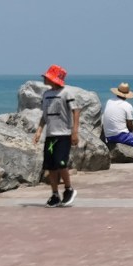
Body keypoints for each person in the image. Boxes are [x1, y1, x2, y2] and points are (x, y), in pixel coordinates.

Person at [32, 64, 79, 208]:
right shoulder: (46, 95)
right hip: (50, 136)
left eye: (47, 77)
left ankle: (69, 189)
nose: (45, 79)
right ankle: (54, 194)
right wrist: (39, 130)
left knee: (61, 163)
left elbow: (76, 111)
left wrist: (75, 131)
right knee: (50, 166)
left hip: (63, 135)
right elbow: (44, 115)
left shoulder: (66, 93)